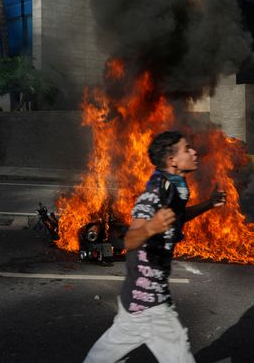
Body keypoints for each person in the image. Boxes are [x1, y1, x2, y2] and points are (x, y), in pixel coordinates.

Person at [83, 131, 226, 363]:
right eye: (187, 149)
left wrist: (209, 204)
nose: (194, 151)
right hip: (150, 303)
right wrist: (151, 227)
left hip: (138, 298)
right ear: (172, 160)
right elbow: (129, 240)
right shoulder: (154, 194)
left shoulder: (177, 188)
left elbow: (178, 216)